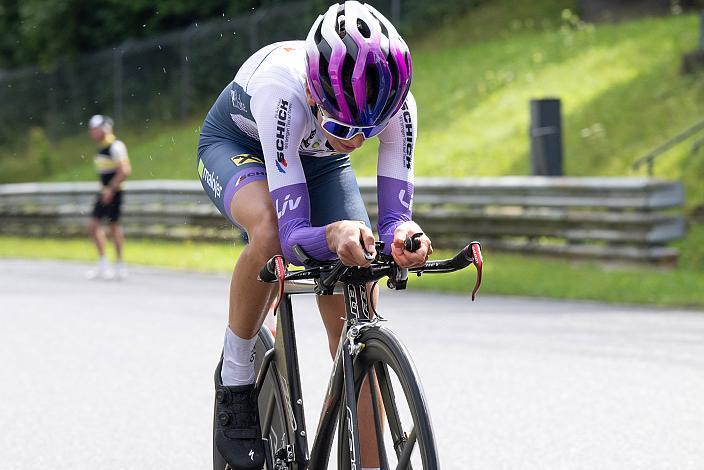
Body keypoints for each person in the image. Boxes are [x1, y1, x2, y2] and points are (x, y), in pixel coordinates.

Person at [197, 2, 432, 468]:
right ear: (313, 86)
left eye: (369, 129)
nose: (356, 140)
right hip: (238, 146)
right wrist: (334, 233)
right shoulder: (280, 90)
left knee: (360, 284)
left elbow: (393, 221)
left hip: (319, 164)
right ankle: (237, 371)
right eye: (344, 125)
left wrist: (404, 235)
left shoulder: (398, 104)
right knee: (266, 231)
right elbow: (293, 235)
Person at [86, 114, 131, 280]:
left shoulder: (116, 146)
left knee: (113, 226)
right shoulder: (101, 147)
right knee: (93, 225)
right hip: (104, 191)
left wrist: (110, 189)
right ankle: (103, 263)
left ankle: (119, 265)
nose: (93, 133)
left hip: (114, 191)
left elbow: (125, 170)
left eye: (96, 129)